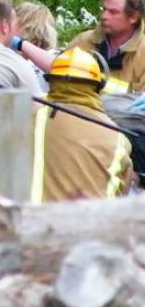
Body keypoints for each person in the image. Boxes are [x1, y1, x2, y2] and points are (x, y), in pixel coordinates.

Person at [31, 47, 132, 202]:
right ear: (98, 86)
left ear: (51, 81)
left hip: (22, 222)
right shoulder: (118, 139)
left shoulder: (26, 116)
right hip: (87, 224)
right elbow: (121, 195)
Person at [69, 0, 145, 94]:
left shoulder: (142, 53)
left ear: (133, 17)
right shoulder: (83, 41)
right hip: (73, 107)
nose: (104, 16)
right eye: (104, 9)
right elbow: (58, 74)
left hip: (120, 111)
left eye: (113, 12)